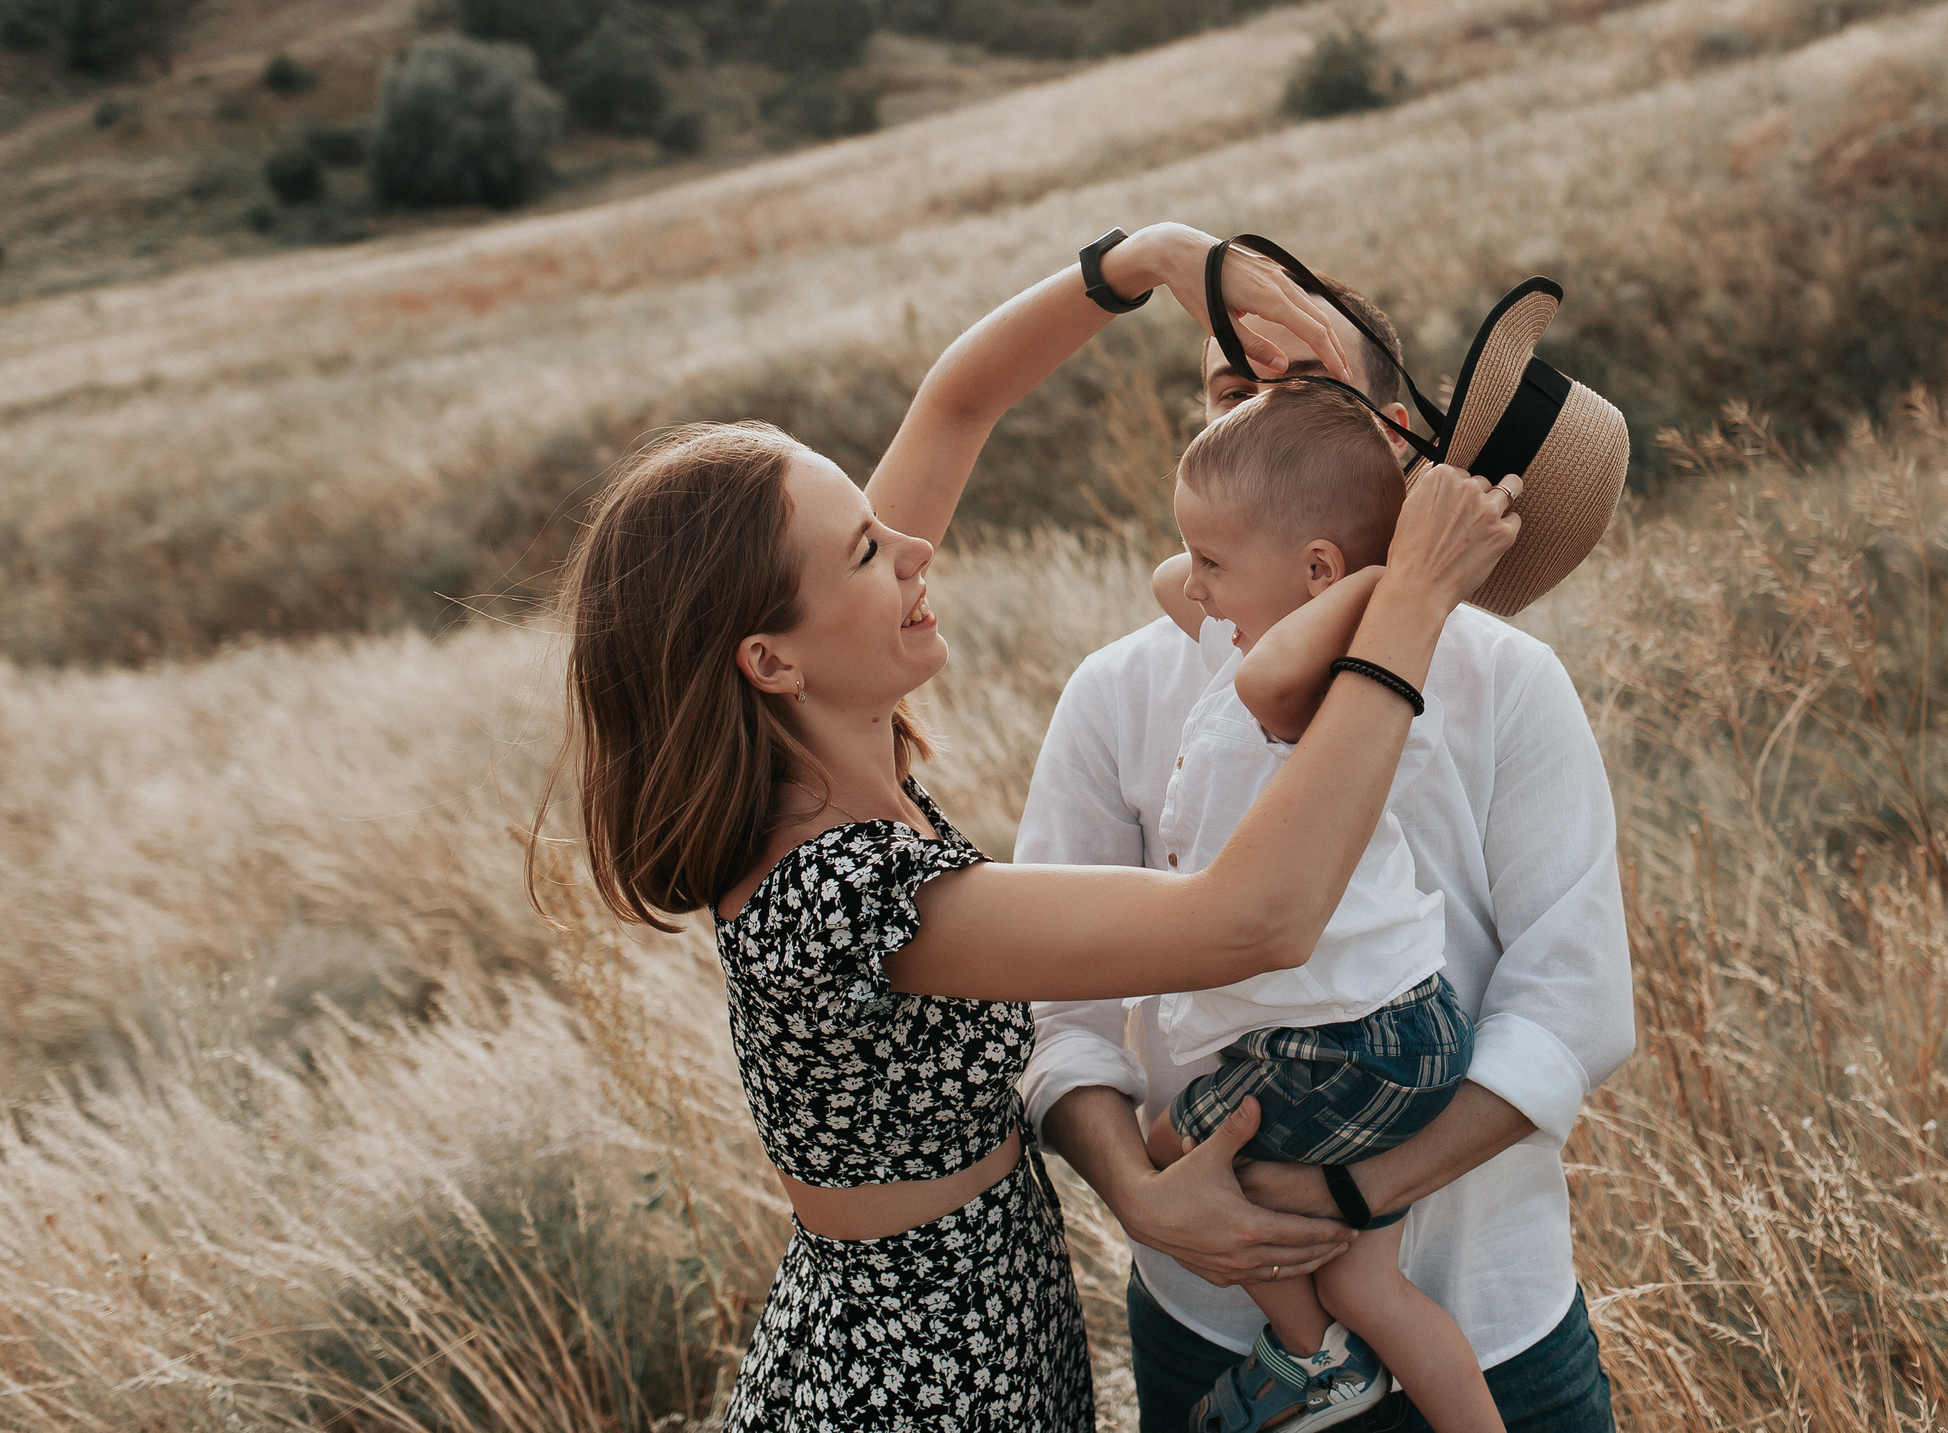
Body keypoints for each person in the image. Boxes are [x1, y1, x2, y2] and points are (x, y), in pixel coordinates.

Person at [531, 221, 1527, 1433]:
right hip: (918, 1395)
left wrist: (1157, 259)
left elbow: (957, 404)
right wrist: (1410, 602)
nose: (912, 549)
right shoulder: (841, 892)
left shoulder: (817, 752)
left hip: (957, 1345)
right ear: (770, 660)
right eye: (864, 551)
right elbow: (1254, 919)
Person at [1021, 273, 1635, 1433]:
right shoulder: (1120, 692)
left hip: (1494, 1321)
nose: (1255, 409)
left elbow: (1575, 1008)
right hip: (1210, 1322)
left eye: (1301, 382)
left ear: (1383, 430)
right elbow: (1064, 1021)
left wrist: (1350, 1194)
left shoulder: (1506, 680)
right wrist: (1148, 1203)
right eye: (1226, 385)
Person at [1141, 380, 1501, 1433]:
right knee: (1368, 1283)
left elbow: (1272, 675)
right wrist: (1235, 556)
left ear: (1316, 573)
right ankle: (1350, 1349)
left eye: (1217, 564)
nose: (1195, 588)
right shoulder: (1258, 646)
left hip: (1358, 1043)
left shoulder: (1331, 687)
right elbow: (1174, 577)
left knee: (1171, 1139)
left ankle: (1312, 1359)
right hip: (1376, 1029)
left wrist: (1394, 580)